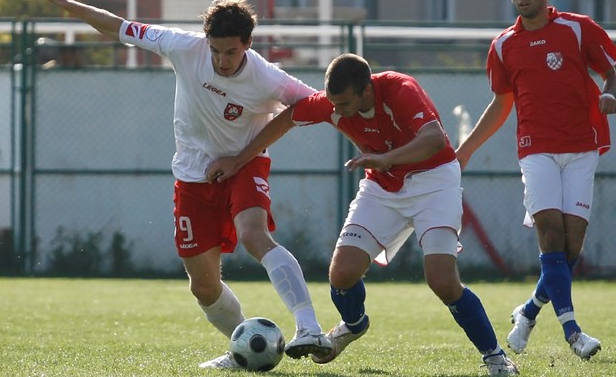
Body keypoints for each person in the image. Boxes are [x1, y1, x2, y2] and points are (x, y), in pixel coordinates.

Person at [31, 0, 332, 369]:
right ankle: (244, 347)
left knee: (254, 235)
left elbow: (312, 106)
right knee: (203, 286)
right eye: (216, 50)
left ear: (248, 44)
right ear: (205, 40)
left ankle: (308, 327)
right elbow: (117, 26)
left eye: (231, 52)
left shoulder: (267, 77)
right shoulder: (182, 46)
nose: (222, 60)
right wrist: (67, 2)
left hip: (245, 163)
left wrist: (240, 158)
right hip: (194, 175)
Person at [206, 53, 519, 376]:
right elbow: (286, 119)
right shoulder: (332, 103)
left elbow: (434, 139)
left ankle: (495, 357)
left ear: (366, 91)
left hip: (434, 181)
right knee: (341, 274)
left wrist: (387, 159)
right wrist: (240, 159)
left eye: (343, 103)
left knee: (442, 280)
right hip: (382, 187)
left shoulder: (400, 89)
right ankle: (353, 325)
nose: (336, 110)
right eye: (333, 103)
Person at [456, 0, 616, 361]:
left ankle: (528, 311)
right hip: (535, 148)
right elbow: (500, 103)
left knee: (570, 247)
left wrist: (611, 94)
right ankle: (573, 331)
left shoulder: (579, 29)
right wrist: (468, 147)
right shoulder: (503, 45)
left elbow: (612, 71)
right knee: (549, 232)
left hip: (582, 147)